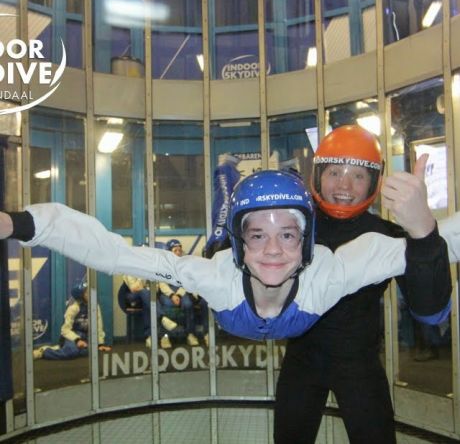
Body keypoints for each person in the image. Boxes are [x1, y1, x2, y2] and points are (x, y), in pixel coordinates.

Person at [0, 169, 456, 341]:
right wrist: (19, 224)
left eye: (289, 236)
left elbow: (434, 312)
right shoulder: (215, 275)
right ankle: (232, 205)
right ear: (241, 245)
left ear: (309, 243)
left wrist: (422, 228)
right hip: (229, 282)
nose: (274, 250)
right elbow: (114, 254)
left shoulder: (330, 270)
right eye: (257, 236)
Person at [274, 125, 452, 444]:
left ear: (373, 181)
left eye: (357, 175)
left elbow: (432, 312)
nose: (344, 185)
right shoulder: (293, 227)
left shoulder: (387, 234)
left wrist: (423, 231)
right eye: (334, 172)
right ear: (318, 175)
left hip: (359, 365)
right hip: (301, 362)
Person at [33, 280, 111, 360]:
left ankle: (60, 348)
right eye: (87, 293)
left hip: (86, 335)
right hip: (72, 336)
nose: (90, 294)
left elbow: (98, 326)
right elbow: (65, 330)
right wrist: (77, 340)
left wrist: (100, 344)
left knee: (88, 352)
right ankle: (44, 352)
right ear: (80, 296)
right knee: (72, 352)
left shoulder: (95, 306)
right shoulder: (73, 308)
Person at [157, 239, 207, 347]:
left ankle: (190, 334)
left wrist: (178, 295)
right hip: (167, 293)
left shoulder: (185, 265)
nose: (178, 252)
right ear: (170, 252)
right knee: (167, 305)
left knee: (188, 304)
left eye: (179, 250)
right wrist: (171, 295)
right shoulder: (163, 266)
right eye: (175, 250)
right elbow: (162, 284)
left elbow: (186, 282)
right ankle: (165, 336)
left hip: (181, 291)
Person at [121, 274, 182, 349]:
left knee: (150, 300)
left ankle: (151, 336)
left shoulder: (152, 269)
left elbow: (158, 286)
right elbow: (133, 288)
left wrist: (171, 295)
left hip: (148, 296)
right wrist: (142, 276)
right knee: (146, 294)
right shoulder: (130, 268)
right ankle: (162, 318)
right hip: (132, 296)